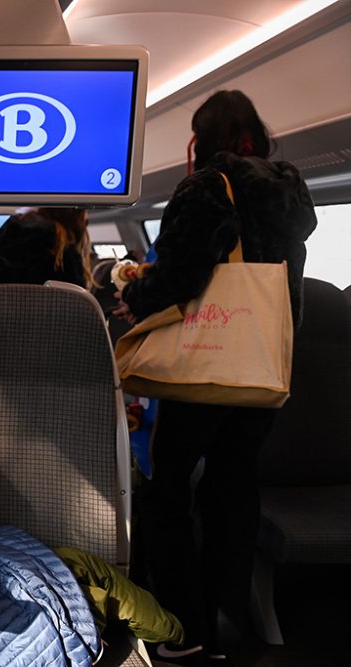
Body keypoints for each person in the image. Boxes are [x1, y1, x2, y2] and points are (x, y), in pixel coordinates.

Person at [113, 90, 317, 664]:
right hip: (265, 364)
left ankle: (183, 630)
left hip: (207, 362)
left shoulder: (207, 186)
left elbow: (181, 272)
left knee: (167, 489)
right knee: (234, 486)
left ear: (201, 139)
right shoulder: (291, 190)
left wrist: (136, 294)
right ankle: (228, 623)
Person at [0, 208, 91, 287]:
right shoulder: (64, 253)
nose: (86, 217)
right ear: (75, 217)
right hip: (49, 322)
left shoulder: (0, 241)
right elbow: (78, 307)